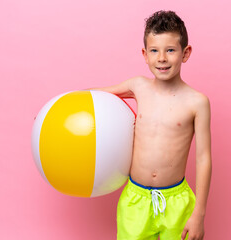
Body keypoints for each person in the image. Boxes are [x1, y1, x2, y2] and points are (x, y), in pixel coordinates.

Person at [88, 10, 212, 240]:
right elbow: (95, 97)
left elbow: (204, 158)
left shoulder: (197, 102)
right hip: (136, 199)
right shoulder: (138, 87)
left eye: (170, 50)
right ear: (145, 54)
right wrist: (57, 109)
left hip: (177, 202)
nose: (162, 58)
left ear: (186, 53)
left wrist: (199, 214)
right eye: (154, 50)